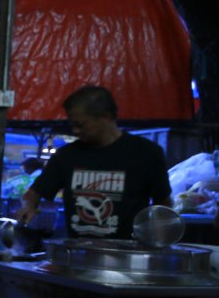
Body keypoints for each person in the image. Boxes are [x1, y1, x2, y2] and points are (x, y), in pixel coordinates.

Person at [17, 85, 171, 240]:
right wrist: (28, 207)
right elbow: (33, 194)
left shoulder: (146, 153)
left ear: (106, 117)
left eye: (81, 125)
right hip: (78, 253)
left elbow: (163, 204)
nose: (75, 131)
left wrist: (160, 240)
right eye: (73, 125)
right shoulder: (66, 156)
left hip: (128, 256)